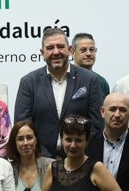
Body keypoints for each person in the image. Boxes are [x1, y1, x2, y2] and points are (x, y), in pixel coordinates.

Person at [14, 27, 105, 157]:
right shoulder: (28, 83)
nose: (56, 52)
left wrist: (76, 153)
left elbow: (97, 125)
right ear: (42, 52)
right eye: (50, 48)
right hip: (40, 161)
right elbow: (22, 126)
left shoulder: (90, 80)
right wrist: (45, 157)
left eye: (60, 47)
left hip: (80, 160)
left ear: (70, 50)